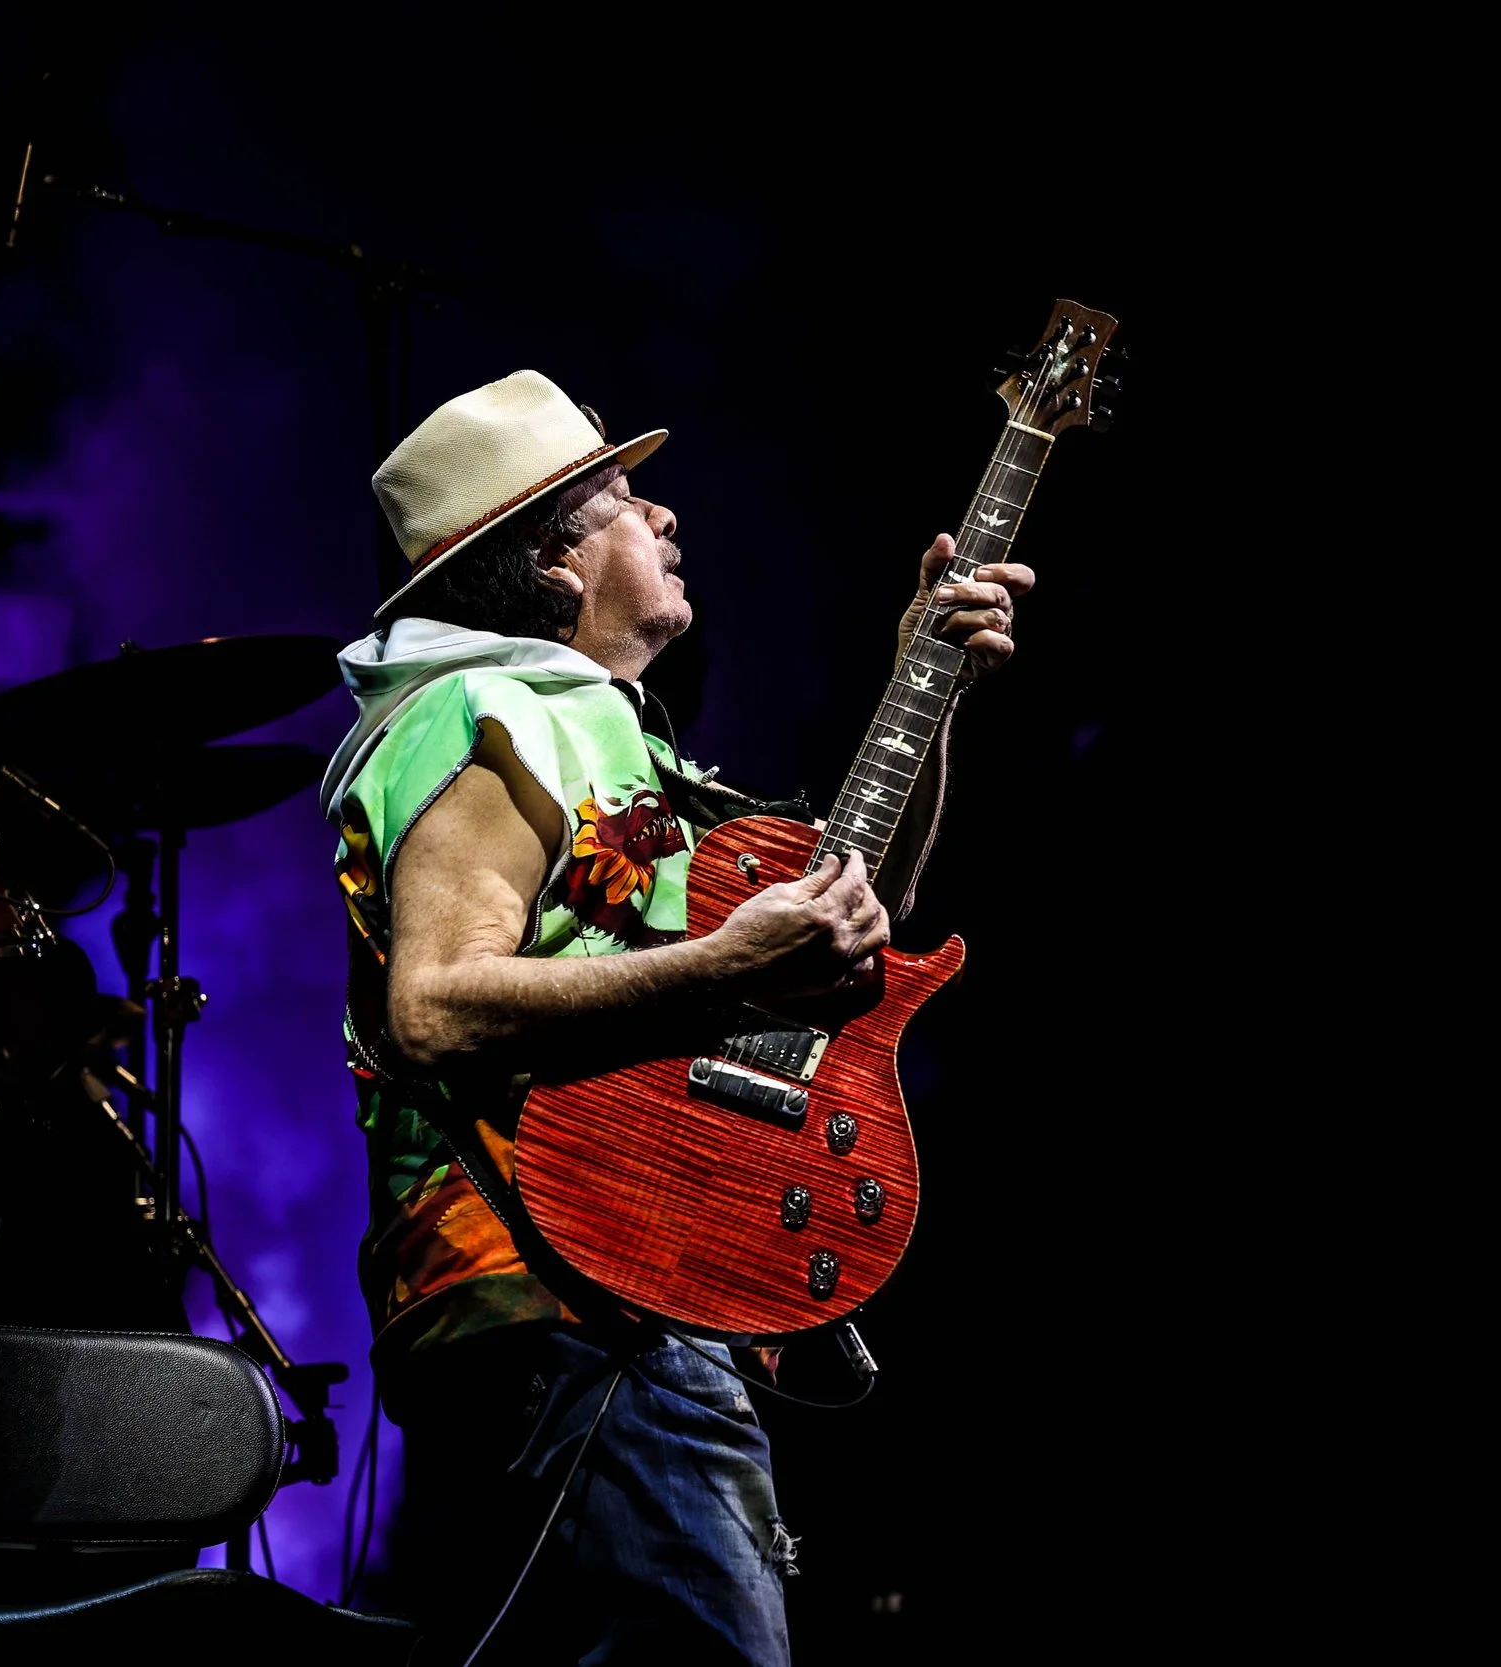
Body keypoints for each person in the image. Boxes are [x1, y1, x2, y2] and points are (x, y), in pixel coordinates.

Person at [318, 368, 1030, 1664]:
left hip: (627, 1274)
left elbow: (844, 921)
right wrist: (717, 967)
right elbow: (433, 1004)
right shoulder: (477, 715)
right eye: (622, 499)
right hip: (554, 1283)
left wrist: (927, 689)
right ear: (553, 562)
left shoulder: (610, 738)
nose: (665, 516)